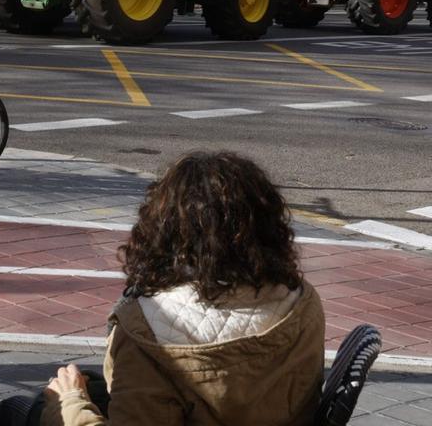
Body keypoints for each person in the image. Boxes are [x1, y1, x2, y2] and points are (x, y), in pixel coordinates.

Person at [32, 150, 325, 426]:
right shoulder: (302, 301)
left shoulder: (145, 332)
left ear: (164, 231)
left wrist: (70, 402)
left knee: (38, 405)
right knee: (93, 386)